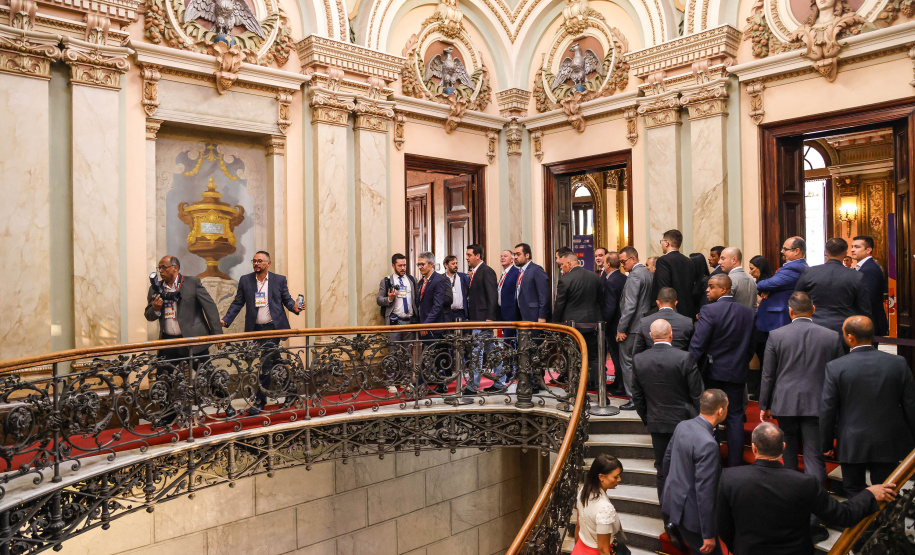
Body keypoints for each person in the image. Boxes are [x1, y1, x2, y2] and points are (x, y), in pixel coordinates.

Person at [717, 422, 894, 555]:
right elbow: (842, 515)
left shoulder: (729, 478)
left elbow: (722, 525)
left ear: (753, 448)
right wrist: (868, 494)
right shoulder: (805, 483)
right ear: (783, 447)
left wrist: (739, 548)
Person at [820, 315, 915, 498]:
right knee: (889, 490)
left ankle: (863, 526)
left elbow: (828, 409)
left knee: (854, 490)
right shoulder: (897, 363)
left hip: (852, 442)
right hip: (888, 441)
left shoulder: (836, 367)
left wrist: (826, 442)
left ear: (850, 337)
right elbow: (910, 404)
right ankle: (887, 526)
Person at [759, 292, 843, 488]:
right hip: (818, 401)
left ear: (790, 312)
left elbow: (768, 374)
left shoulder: (776, 335)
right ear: (813, 309)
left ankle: (792, 495)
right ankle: (816, 504)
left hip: (785, 401)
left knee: (787, 450)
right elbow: (837, 373)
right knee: (814, 456)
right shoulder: (831, 336)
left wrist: (764, 404)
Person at [145, 255, 223, 426]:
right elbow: (149, 315)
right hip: (168, 342)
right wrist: (156, 309)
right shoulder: (155, 289)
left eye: (163, 267)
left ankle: (225, 402)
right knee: (163, 378)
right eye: (159, 268)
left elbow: (210, 307)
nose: (161, 271)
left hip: (192, 340)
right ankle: (168, 416)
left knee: (208, 374)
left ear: (175, 268)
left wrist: (218, 333)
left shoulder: (191, 283)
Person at [222, 250, 302, 415]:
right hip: (256, 329)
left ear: (268, 263)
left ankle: (259, 402)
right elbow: (238, 303)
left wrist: (294, 307)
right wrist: (226, 320)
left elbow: (286, 299)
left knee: (265, 362)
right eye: (254, 261)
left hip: (273, 328)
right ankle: (292, 391)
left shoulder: (278, 280)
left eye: (260, 261)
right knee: (275, 359)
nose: (256, 264)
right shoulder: (246, 280)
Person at [632, 319, 703, 502]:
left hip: (657, 421)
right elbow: (697, 394)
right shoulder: (684, 358)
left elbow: (637, 397)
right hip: (685, 422)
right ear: (671, 335)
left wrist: (648, 418)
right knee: (686, 468)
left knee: (662, 470)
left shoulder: (639, 359)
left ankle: (667, 516)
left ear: (650, 337)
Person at [689, 274, 755, 468]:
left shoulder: (709, 310)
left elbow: (698, 344)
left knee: (711, 418)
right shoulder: (748, 312)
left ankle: (711, 462)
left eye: (711, 287)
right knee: (735, 418)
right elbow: (751, 345)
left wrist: (689, 366)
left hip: (713, 372)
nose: (707, 290)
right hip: (737, 371)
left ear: (724, 289)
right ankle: (735, 465)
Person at [662, 389, 729, 555]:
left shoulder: (682, 426)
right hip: (692, 517)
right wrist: (708, 533)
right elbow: (705, 491)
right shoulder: (708, 444)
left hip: (674, 504)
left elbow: (667, 461)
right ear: (720, 411)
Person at [794, 237, 870, 335]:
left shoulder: (809, 272)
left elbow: (796, 299)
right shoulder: (856, 276)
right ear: (845, 254)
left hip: (813, 326)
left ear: (825, 252)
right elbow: (864, 308)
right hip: (844, 329)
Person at [553, 250, 605, 390]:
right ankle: (596, 386)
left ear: (569, 263)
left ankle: (574, 389)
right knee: (594, 357)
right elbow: (601, 300)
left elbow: (559, 305)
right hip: (593, 324)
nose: (561, 267)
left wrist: (555, 325)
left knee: (572, 358)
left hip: (572, 327)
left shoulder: (565, 280)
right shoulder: (594, 277)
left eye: (563, 265)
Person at [615, 247, 653, 410]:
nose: (622, 265)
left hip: (632, 328)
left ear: (633, 258)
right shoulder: (648, 273)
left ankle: (634, 399)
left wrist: (621, 328)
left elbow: (630, 306)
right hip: (644, 325)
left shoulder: (635, 275)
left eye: (623, 261)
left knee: (628, 364)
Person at [513, 243, 551, 392]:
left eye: (518, 254)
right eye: (514, 254)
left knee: (535, 350)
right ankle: (528, 379)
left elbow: (544, 296)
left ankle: (536, 381)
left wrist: (542, 317)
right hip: (523, 319)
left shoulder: (536, 270)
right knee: (526, 351)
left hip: (535, 319)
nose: (515, 257)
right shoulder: (521, 272)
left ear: (527, 255)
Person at [464, 244, 500, 393]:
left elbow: (492, 295)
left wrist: (490, 318)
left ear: (478, 256)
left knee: (476, 353)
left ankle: (472, 385)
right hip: (477, 320)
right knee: (492, 352)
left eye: (469, 255)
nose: (466, 258)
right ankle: (501, 382)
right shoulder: (476, 272)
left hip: (483, 320)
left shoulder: (487, 271)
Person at [415, 252, 452, 394]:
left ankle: (418, 387)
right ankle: (442, 385)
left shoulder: (439, 280)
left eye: (422, 264)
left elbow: (437, 306)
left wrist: (426, 324)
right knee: (435, 357)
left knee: (426, 356)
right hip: (425, 324)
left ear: (431, 264)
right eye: (418, 264)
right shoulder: (422, 281)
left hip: (434, 326)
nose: (420, 267)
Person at [573, 454, 625, 555]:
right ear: (601, 477)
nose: (619, 479)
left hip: (580, 549)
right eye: (615, 477)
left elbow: (578, 527)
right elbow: (603, 551)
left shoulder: (583, 491)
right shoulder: (604, 508)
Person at [756, 237, 808, 331]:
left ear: (797, 251)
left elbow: (764, 284)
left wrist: (767, 288)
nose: (782, 251)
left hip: (778, 319)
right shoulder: (793, 266)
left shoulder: (794, 267)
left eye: (785, 249)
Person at [650, 230, 696, 318]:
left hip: (670, 311)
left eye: (662, 241)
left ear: (667, 243)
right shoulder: (689, 261)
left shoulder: (663, 261)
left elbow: (663, 287)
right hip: (687, 310)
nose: (661, 244)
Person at [633, 287, 694, 354]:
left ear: (657, 303)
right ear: (676, 303)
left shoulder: (645, 322)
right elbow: (692, 349)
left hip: (651, 361)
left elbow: (637, 350)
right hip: (679, 362)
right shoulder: (687, 322)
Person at [746, 254, 774, 399]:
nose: (750, 272)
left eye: (752, 268)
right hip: (762, 325)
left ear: (760, 268)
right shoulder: (763, 282)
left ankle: (762, 393)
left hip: (763, 326)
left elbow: (762, 303)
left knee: (765, 360)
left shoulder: (766, 283)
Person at [851, 235, 889, 337]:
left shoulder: (869, 269)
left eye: (857, 247)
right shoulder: (864, 266)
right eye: (852, 246)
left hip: (869, 322)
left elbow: (868, 298)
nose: (852, 250)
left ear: (868, 250)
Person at [377, 253, 418, 342]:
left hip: (410, 322)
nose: (403, 268)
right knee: (393, 351)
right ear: (393, 265)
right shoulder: (386, 281)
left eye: (404, 265)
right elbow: (379, 300)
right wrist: (390, 298)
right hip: (395, 322)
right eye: (400, 266)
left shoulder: (412, 280)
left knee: (408, 352)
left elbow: (417, 300)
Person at [602, 252, 627, 397]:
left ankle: (621, 385)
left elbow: (610, 306)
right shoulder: (623, 277)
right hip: (621, 321)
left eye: (604, 262)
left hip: (614, 324)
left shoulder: (611, 280)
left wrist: (604, 321)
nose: (603, 265)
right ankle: (619, 382)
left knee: (617, 356)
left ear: (608, 264)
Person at [443, 254, 469, 322]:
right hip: (446, 313)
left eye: (456, 263)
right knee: (448, 332)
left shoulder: (463, 277)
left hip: (461, 313)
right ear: (446, 265)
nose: (456, 265)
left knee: (463, 332)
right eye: (453, 263)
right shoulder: (441, 279)